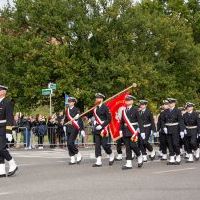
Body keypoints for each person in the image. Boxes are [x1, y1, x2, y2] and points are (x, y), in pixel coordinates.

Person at [90, 93, 115, 167]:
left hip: (104, 129)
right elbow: (90, 115)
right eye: (96, 98)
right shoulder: (95, 108)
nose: (96, 99)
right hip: (97, 129)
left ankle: (111, 154)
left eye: (98, 98)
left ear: (101, 99)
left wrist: (102, 126)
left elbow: (109, 119)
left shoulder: (105, 108)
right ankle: (98, 161)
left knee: (104, 145)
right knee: (97, 145)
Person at [120, 95, 143, 170]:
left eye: (129, 100)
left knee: (133, 145)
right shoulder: (124, 111)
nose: (127, 102)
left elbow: (139, 120)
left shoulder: (135, 110)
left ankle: (139, 155)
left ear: (132, 101)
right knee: (127, 147)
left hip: (133, 131)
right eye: (126, 100)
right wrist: (120, 130)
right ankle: (129, 163)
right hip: (125, 131)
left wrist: (141, 130)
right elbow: (122, 122)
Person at [0, 85, 18, 178]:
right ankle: (1, 170)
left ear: (4, 92)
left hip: (3, 127)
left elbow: (9, 118)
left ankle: (12, 164)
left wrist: (8, 131)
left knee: (1, 148)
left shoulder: (8, 102)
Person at [161, 98, 185, 165]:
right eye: (169, 103)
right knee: (170, 144)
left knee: (175, 143)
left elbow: (180, 121)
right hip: (168, 129)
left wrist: (182, 130)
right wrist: (164, 127)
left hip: (175, 129)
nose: (170, 104)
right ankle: (171, 157)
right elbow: (162, 120)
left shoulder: (177, 111)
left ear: (174, 103)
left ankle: (177, 156)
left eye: (171, 103)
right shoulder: (165, 111)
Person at [65, 97, 85, 165]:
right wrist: (64, 126)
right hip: (68, 128)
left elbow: (80, 120)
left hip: (74, 128)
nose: (69, 103)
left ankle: (78, 153)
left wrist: (82, 129)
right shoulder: (66, 110)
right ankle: (72, 158)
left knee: (70, 142)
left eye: (70, 102)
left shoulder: (77, 110)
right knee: (68, 144)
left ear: (73, 102)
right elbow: (66, 119)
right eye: (69, 102)